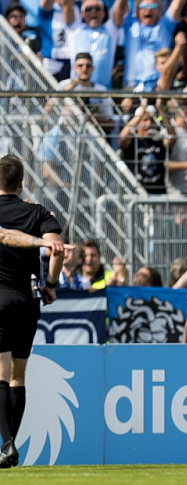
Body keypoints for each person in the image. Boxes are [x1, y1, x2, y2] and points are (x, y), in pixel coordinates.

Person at [0, 154, 67, 468]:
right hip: (28, 299)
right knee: (18, 374)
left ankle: (7, 442)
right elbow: (58, 249)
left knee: (0, 372)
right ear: (21, 182)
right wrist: (50, 283)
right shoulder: (38, 212)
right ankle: (11, 442)